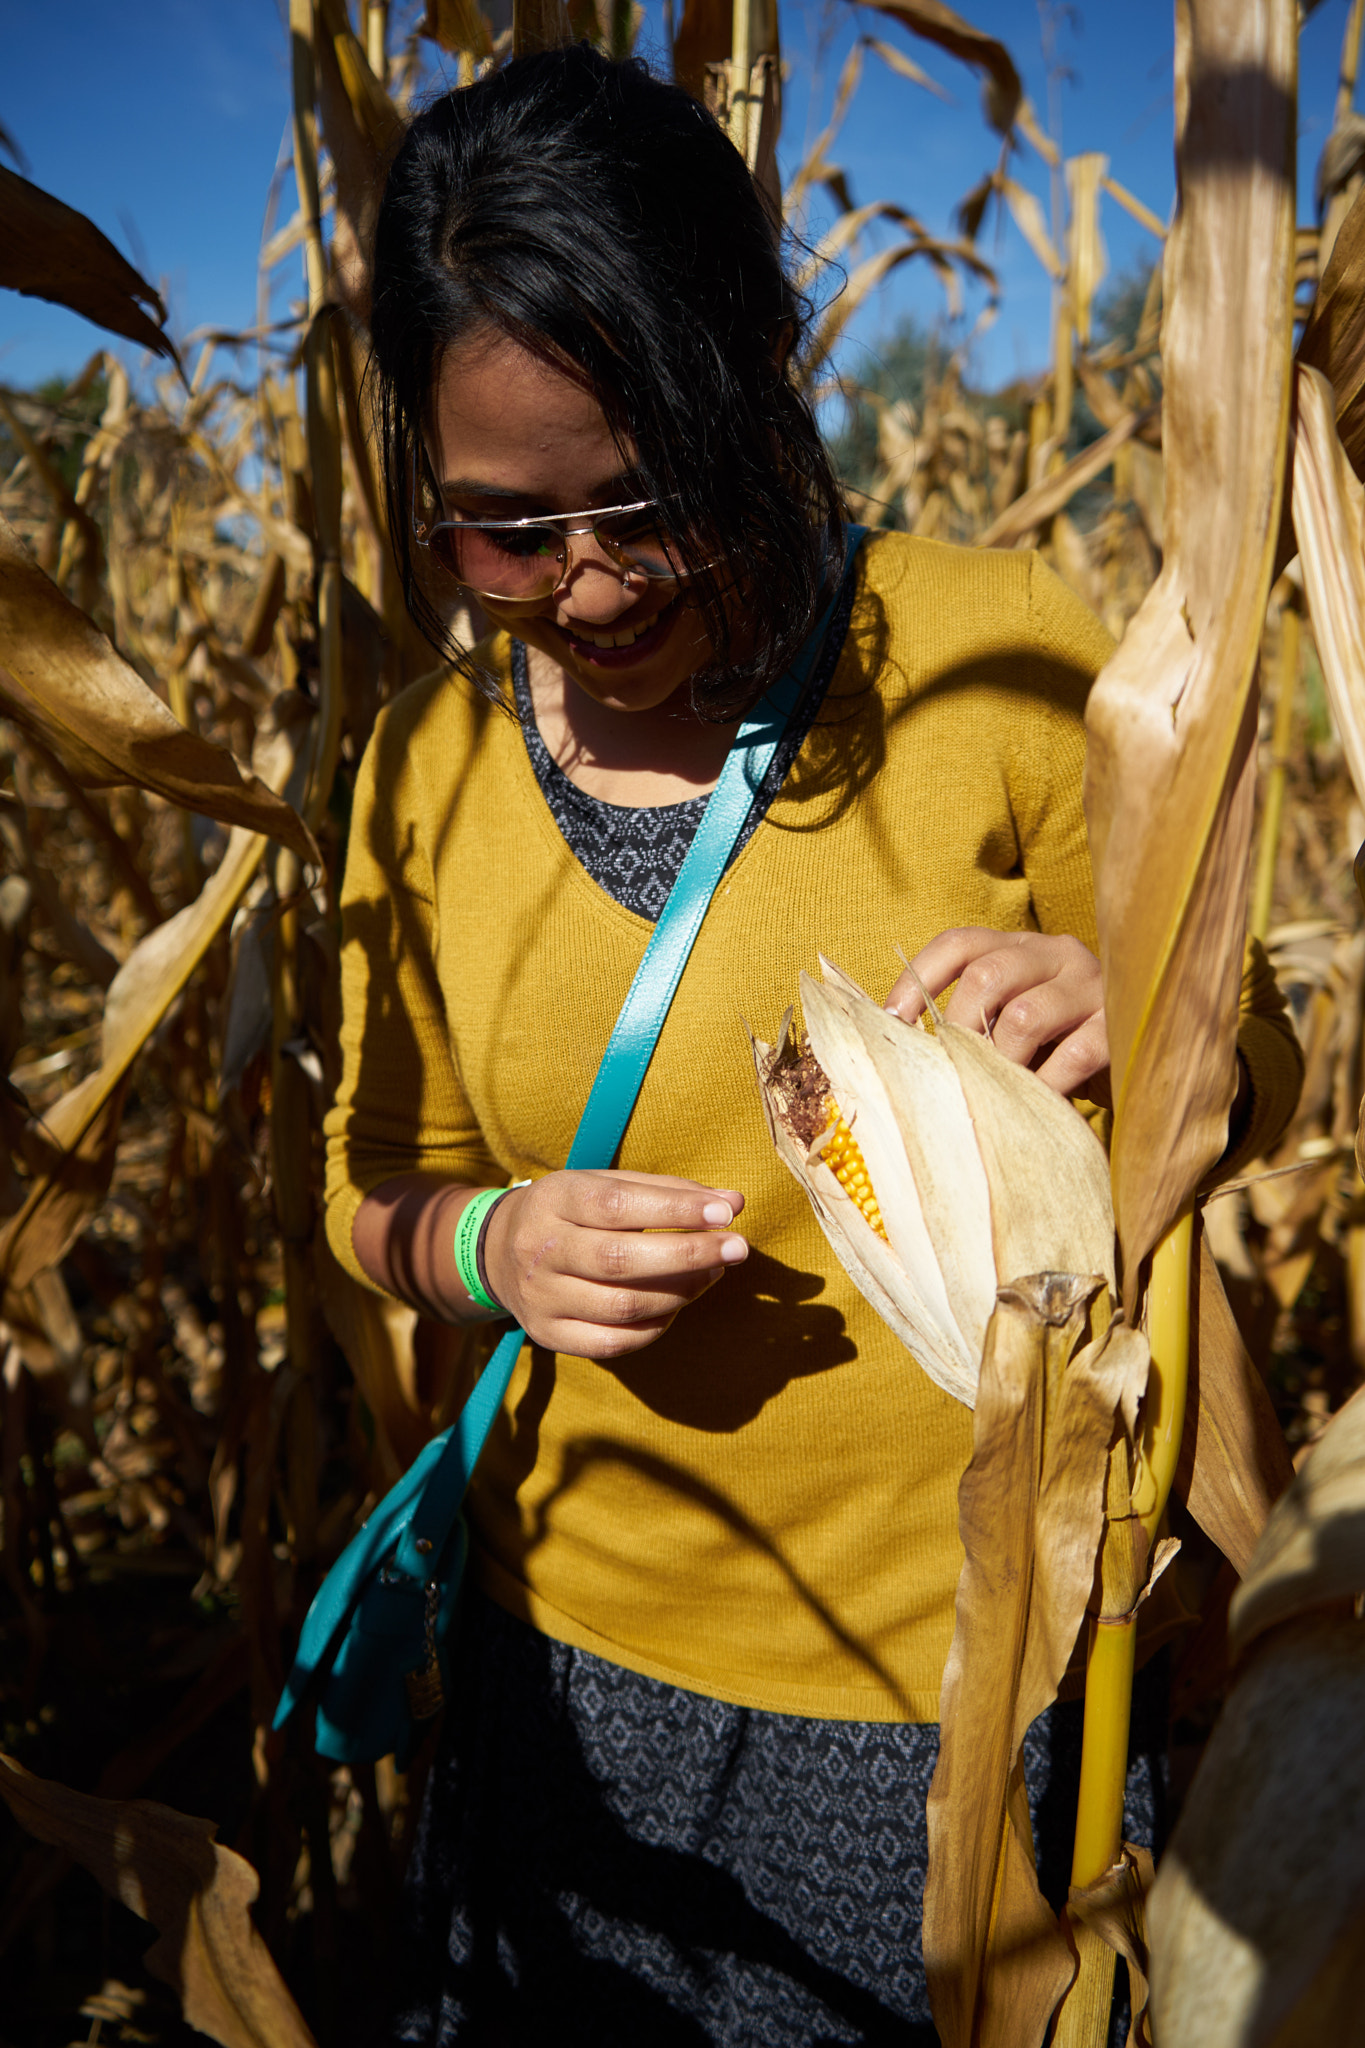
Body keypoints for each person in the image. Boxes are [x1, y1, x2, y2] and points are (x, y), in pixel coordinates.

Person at [324, 45, 1302, 2047]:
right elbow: (363, 1183)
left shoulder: (1000, 659)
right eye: (499, 537)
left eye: (641, 498)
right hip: (563, 1679)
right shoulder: (421, 769)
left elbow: (1258, 1066)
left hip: (964, 1686)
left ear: (752, 371)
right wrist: (489, 1247)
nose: (582, 587)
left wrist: (1147, 1017)